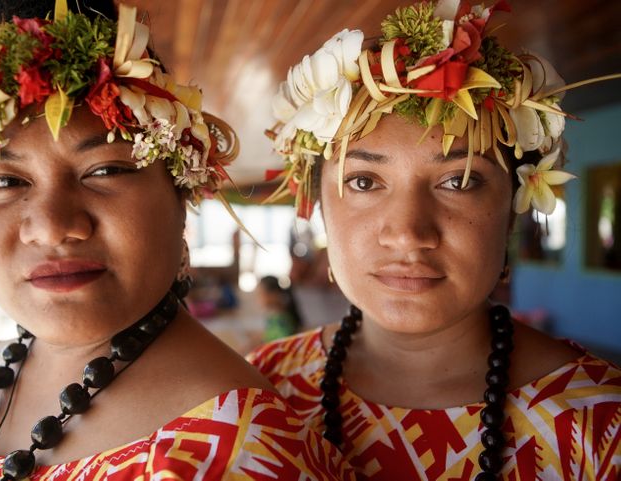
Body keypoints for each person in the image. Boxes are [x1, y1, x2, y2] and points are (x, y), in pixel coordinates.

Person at [0, 1, 355, 479]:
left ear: (182, 194)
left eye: (106, 170)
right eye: (4, 182)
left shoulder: (242, 451)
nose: (53, 226)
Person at [249, 1, 621, 480]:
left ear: (512, 208)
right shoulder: (259, 394)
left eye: (459, 181)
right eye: (364, 182)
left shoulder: (601, 424)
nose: (408, 233)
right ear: (318, 203)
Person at [256, 276, 301, 342]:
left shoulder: (282, 320)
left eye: (260, 293)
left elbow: (280, 344)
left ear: (274, 294)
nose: (258, 298)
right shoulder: (273, 317)